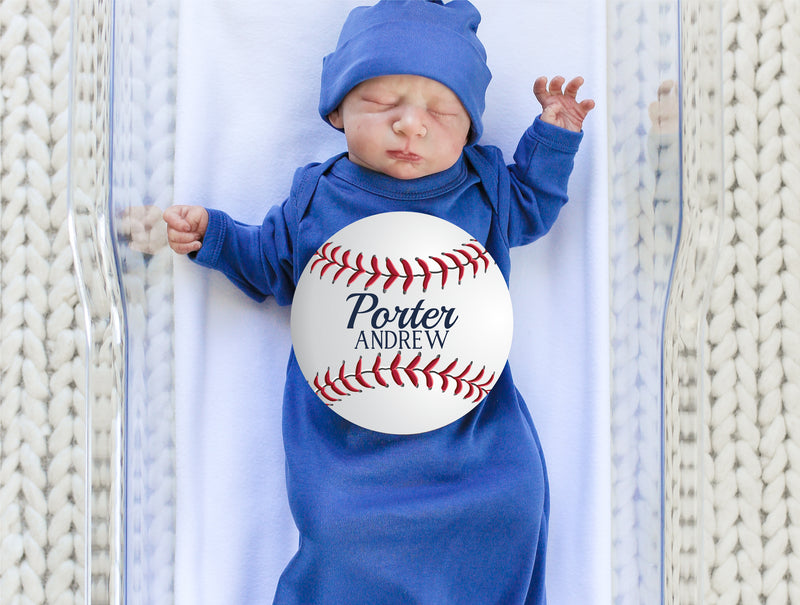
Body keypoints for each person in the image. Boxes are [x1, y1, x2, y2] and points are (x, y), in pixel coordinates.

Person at [164, 0, 594, 602]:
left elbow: (534, 204)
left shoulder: (486, 188)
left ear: (471, 127)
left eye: (442, 110)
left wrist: (553, 136)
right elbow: (271, 263)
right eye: (383, 103)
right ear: (338, 111)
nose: (411, 125)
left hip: (471, 432)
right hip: (349, 444)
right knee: (340, 531)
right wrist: (215, 235)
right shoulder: (316, 197)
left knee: (513, 504)